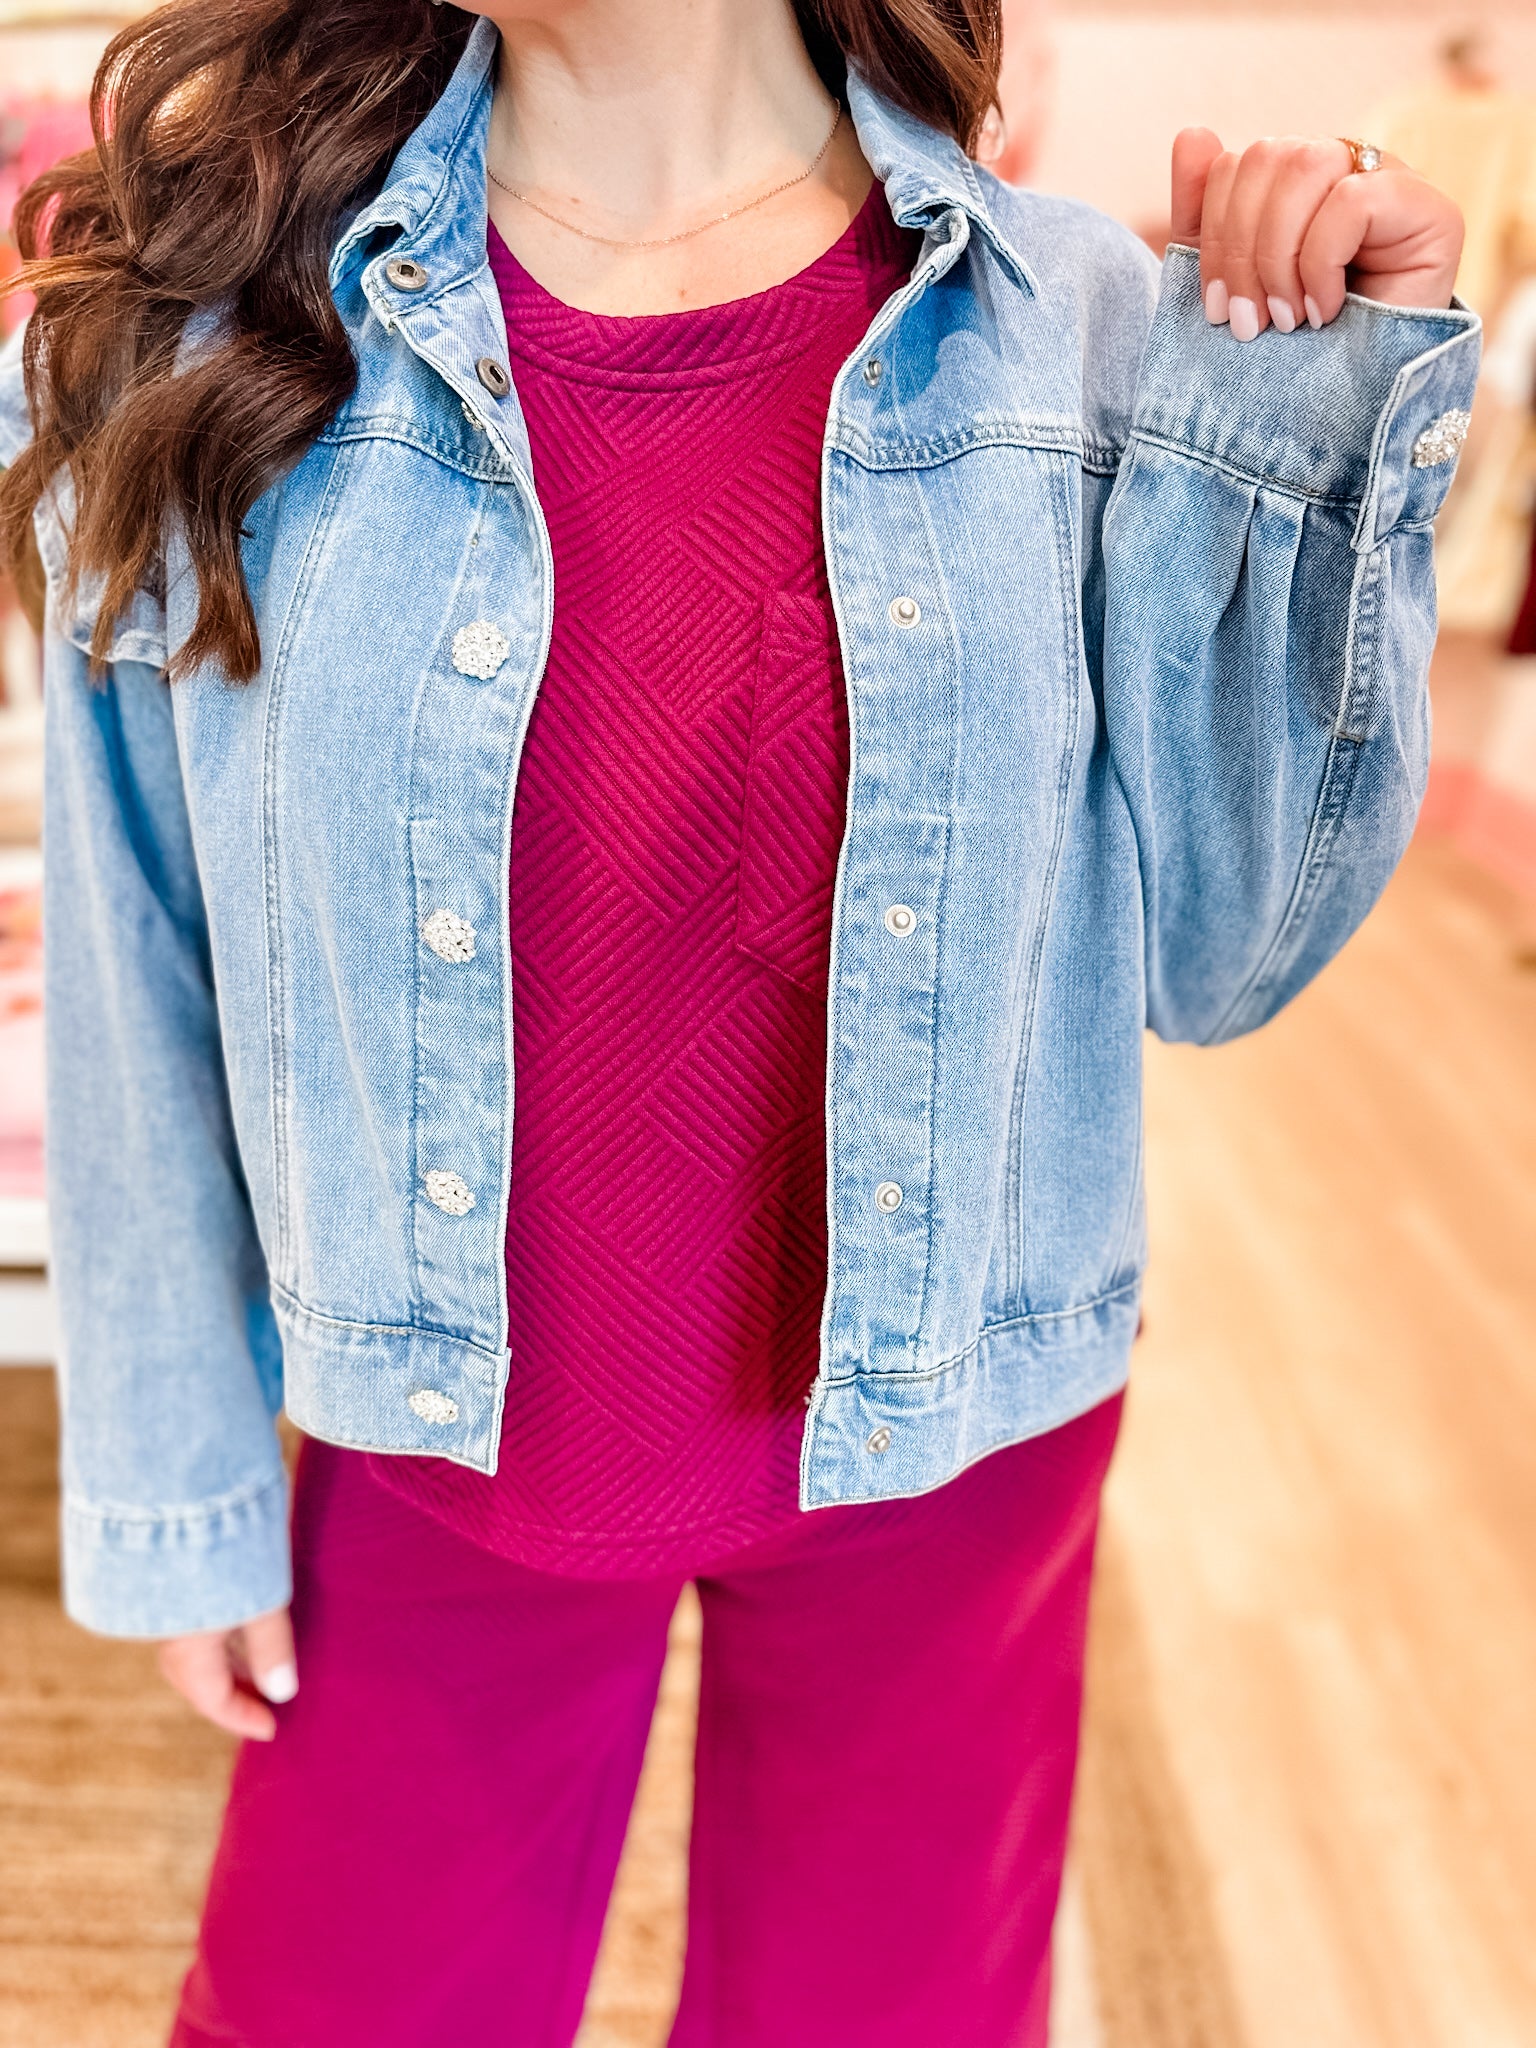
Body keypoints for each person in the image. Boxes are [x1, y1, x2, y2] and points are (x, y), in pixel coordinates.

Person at [0, 0, 1473, 2041]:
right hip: (446, 1451)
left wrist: (1315, 421)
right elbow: (136, 937)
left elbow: (1225, 955)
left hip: (953, 1441)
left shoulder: (1082, 334)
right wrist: (181, 1492)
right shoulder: (203, 338)